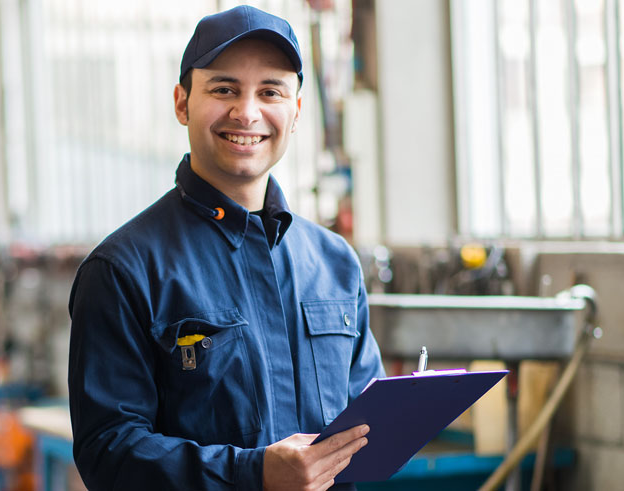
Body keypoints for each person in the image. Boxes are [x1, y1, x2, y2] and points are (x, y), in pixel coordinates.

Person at [67, 5, 386, 490]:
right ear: (182, 103)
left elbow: (369, 424)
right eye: (223, 89)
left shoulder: (334, 263)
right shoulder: (125, 270)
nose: (248, 112)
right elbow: (107, 451)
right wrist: (252, 474)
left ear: (296, 112)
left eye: (271, 92)